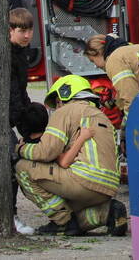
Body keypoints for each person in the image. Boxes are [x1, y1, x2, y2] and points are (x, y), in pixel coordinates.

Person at [15, 75, 127, 236]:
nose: (57, 107)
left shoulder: (66, 111)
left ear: (65, 94)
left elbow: (46, 152)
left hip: (83, 182)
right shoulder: (102, 117)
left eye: (57, 102)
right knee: (70, 212)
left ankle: (62, 222)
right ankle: (107, 212)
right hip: (108, 188)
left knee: (22, 168)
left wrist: (20, 149)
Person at [83, 34, 139, 121]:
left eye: (93, 61)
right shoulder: (133, 48)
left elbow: (131, 98)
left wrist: (127, 125)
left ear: (97, 53)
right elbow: (129, 87)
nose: (96, 65)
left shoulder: (114, 60)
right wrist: (115, 102)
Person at [8, 8, 38, 235]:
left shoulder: (21, 52)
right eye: (22, 31)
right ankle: (10, 216)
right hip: (3, 119)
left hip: (12, 117)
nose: (27, 35)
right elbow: (13, 94)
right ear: (10, 31)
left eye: (29, 30)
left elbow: (21, 90)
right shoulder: (8, 55)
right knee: (11, 165)